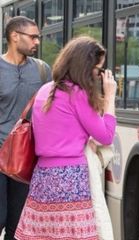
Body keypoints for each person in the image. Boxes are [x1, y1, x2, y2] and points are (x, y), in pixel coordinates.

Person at [15, 36, 117, 240]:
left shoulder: (46, 89)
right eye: (98, 71)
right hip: (71, 178)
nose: (98, 77)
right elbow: (105, 136)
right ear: (85, 67)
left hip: (43, 176)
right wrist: (110, 97)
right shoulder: (77, 94)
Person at [0, 16, 51, 240]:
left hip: (26, 158)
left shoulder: (42, 71)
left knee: (18, 222)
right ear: (14, 36)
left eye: (38, 37)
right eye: (33, 37)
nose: (37, 42)